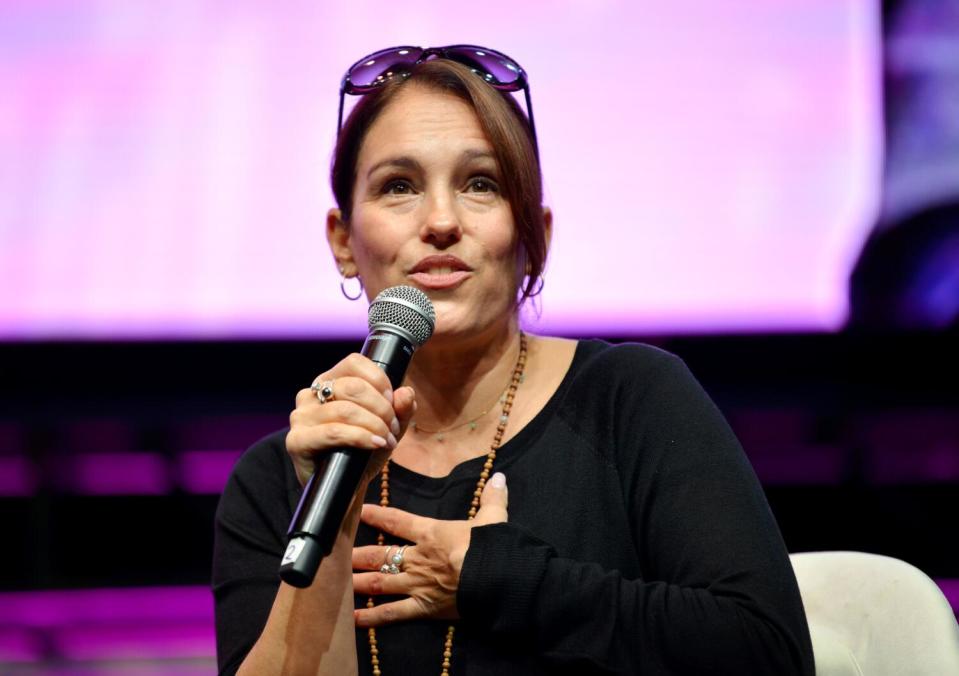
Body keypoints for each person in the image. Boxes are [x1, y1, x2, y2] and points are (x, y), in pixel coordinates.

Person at [212, 45, 815, 675]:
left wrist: (498, 577)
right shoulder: (280, 478)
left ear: (534, 239)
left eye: (481, 184)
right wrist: (332, 516)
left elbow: (767, 653)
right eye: (399, 187)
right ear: (343, 240)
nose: (441, 221)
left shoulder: (632, 399)